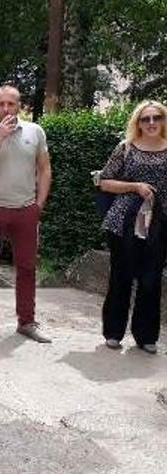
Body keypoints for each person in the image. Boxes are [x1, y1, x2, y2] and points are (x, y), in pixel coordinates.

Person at [0, 84, 53, 343]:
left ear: (20, 106)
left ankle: (26, 322)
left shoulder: (35, 131)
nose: (6, 109)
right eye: (0, 104)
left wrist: (38, 204)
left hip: (26, 209)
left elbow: (45, 168)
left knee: (27, 267)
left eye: (11, 103)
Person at [98, 100, 167, 354]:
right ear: (137, 122)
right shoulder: (125, 148)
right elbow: (104, 182)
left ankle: (146, 336)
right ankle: (113, 332)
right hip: (124, 221)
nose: (151, 123)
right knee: (121, 275)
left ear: (164, 120)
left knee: (151, 279)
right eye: (145, 118)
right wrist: (135, 187)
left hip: (159, 223)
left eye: (156, 117)